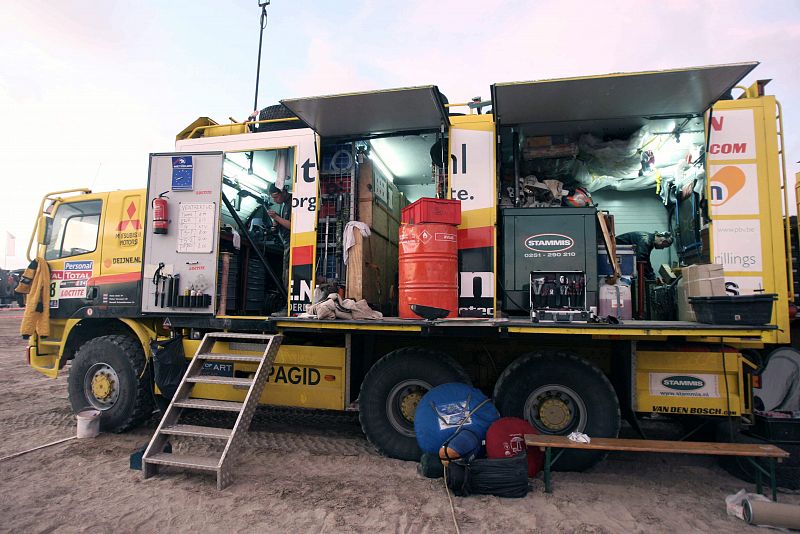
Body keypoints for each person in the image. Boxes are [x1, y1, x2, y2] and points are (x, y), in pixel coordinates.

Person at [267, 183, 292, 289]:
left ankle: (288, 301)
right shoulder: (283, 205)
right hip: (286, 243)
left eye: (276, 196)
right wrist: (276, 223)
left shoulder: (293, 202)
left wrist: (277, 218)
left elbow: (293, 226)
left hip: (293, 243)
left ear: (284, 191)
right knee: (285, 274)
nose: (275, 200)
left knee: (288, 274)